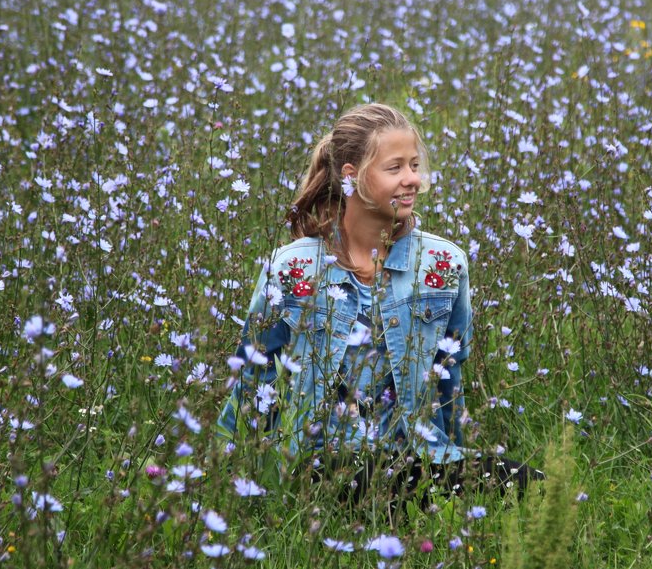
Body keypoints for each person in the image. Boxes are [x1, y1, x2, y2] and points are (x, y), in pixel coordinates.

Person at [218, 103, 537, 501]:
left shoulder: (444, 263)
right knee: (376, 488)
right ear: (351, 177)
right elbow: (251, 379)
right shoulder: (292, 268)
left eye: (415, 165)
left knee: (535, 488)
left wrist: (462, 461)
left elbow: (449, 378)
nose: (413, 180)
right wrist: (230, 478)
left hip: (418, 457)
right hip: (320, 462)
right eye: (395, 168)